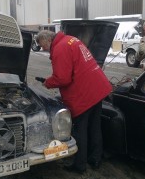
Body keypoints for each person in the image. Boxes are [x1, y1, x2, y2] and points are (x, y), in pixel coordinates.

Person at [35, 30, 112, 174]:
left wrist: (48, 83)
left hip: (84, 94)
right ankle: (95, 158)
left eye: (42, 45)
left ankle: (79, 165)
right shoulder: (70, 39)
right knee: (95, 126)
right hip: (97, 88)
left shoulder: (60, 48)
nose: (43, 49)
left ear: (46, 40)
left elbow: (63, 78)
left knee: (79, 129)